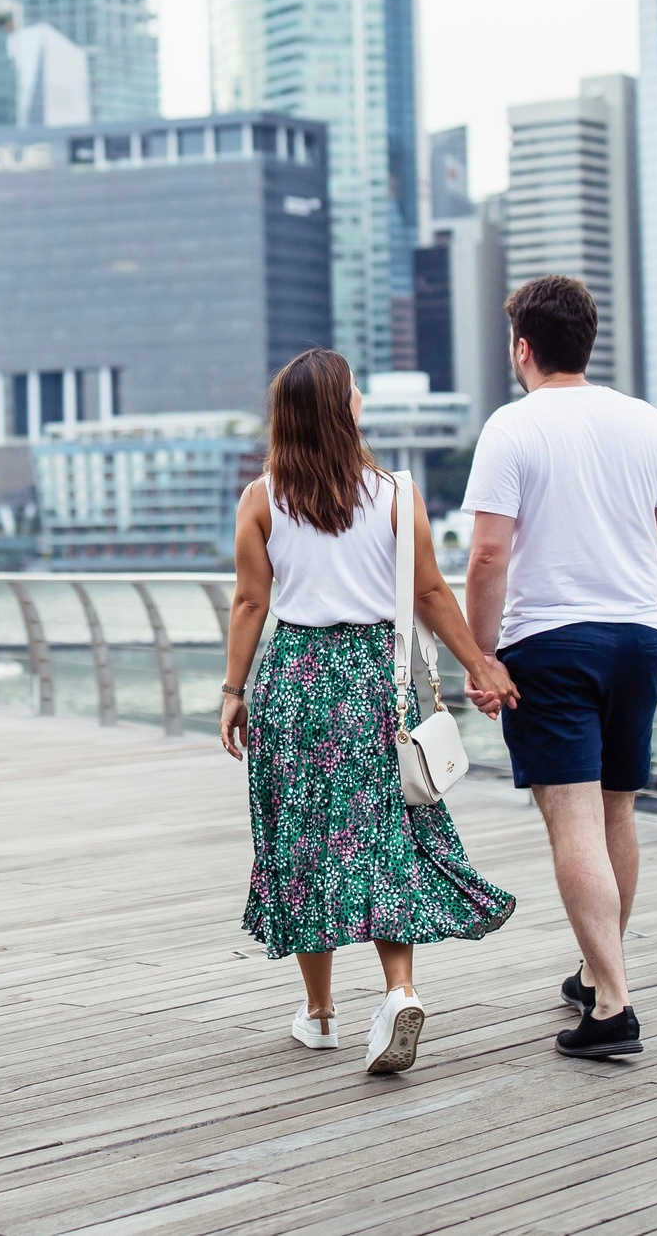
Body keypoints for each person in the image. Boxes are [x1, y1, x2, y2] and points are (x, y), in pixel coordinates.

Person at [220, 348, 518, 1076]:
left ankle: (321, 1015)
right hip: (367, 684)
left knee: (298, 841)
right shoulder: (394, 492)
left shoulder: (262, 498)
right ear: (340, 408)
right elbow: (429, 593)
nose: (359, 399)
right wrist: (481, 663)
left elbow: (252, 602)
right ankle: (398, 988)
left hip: (293, 680)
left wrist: (233, 691)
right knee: (383, 834)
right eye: (352, 391)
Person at [462, 275, 657, 1060]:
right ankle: (600, 969)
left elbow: (490, 552)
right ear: (586, 342)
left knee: (572, 818)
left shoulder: (511, 427)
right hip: (634, 635)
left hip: (551, 643)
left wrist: (481, 652)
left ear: (522, 347)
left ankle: (613, 1003)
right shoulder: (645, 420)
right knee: (617, 812)